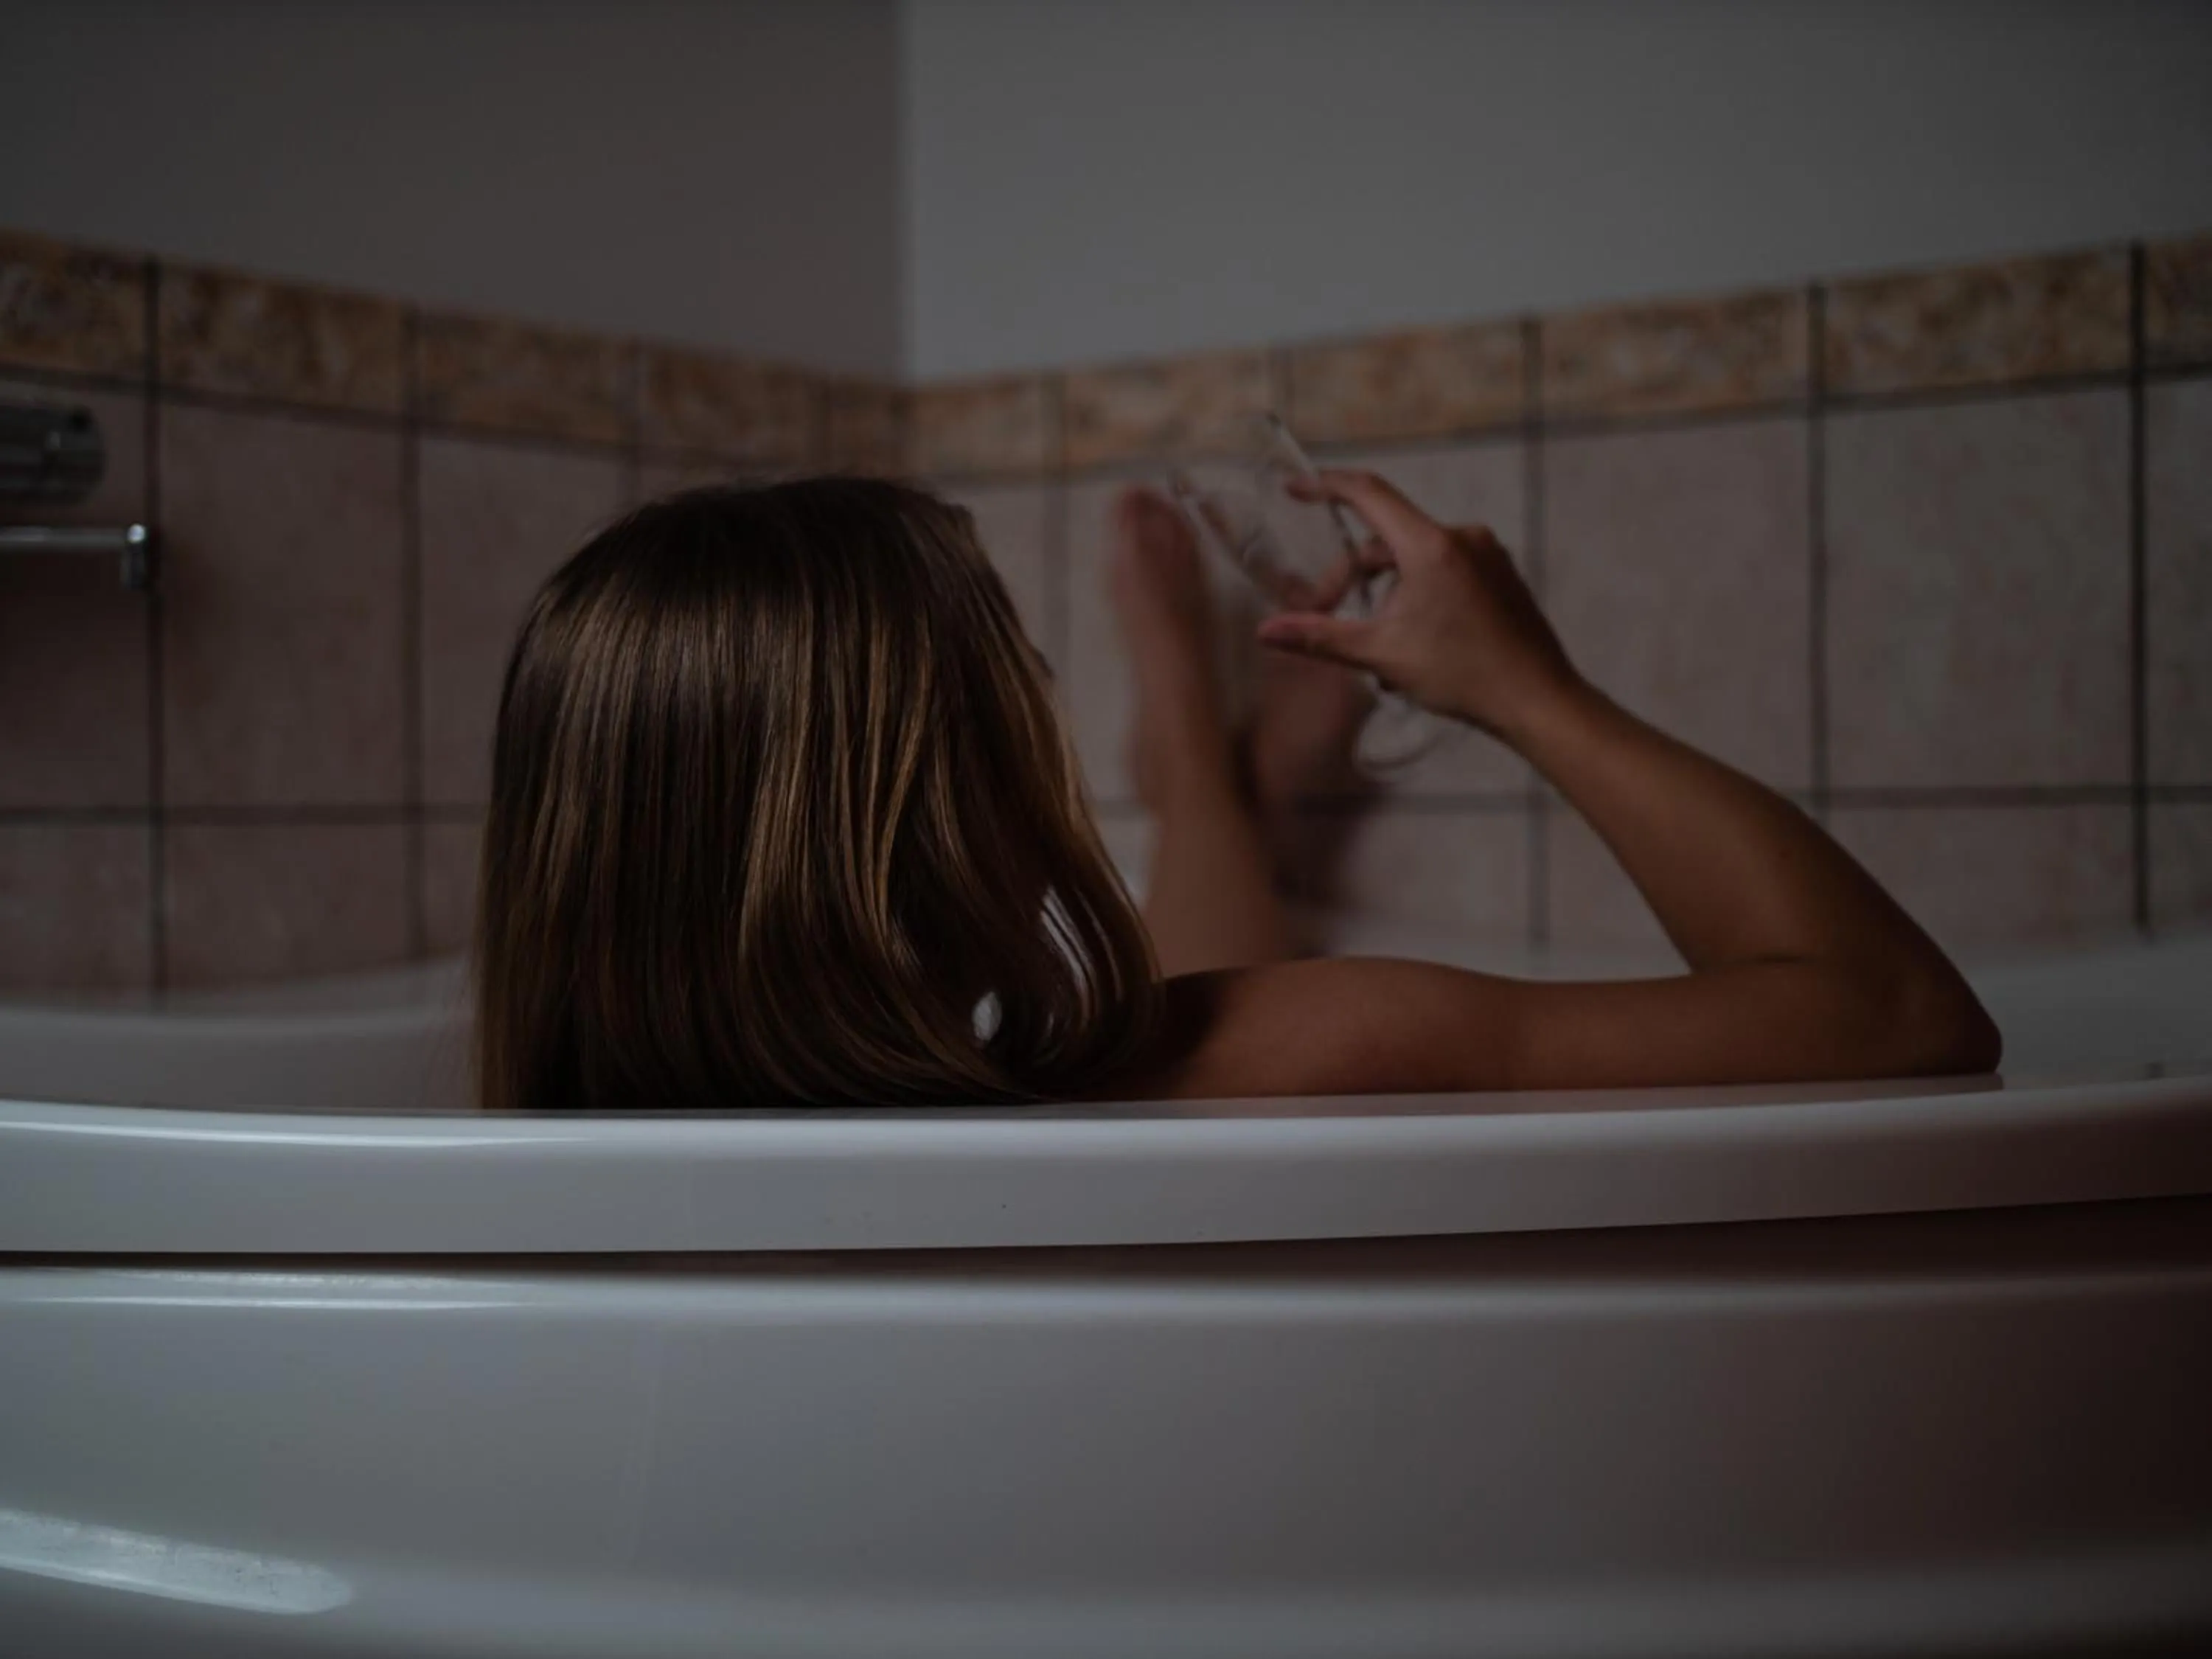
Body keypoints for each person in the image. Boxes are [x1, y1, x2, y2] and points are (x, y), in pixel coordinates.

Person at [473, 475, 1997, 1113]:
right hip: (1191, 1038)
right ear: (959, 810)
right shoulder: (1252, 1058)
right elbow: (1903, 1019)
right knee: (1202, 1013)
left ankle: (1215, 775)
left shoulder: (523, 1147)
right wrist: (1528, 687)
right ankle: (1199, 766)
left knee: (1190, 1004)